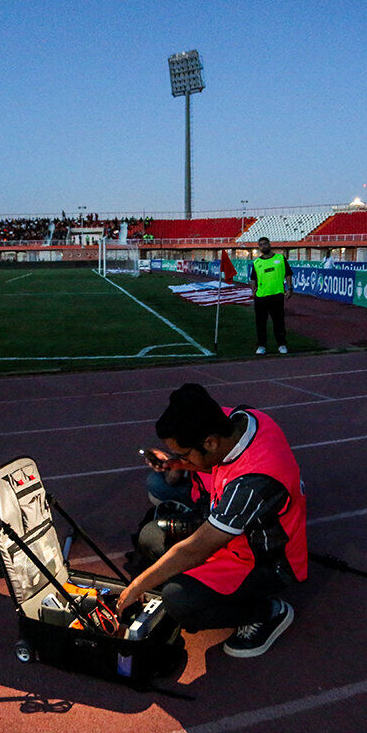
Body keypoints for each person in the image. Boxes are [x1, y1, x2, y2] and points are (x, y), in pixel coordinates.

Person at [117, 384, 308, 658]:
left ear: (209, 442)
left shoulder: (253, 482)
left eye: (184, 453)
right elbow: (211, 463)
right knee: (151, 538)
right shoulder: (235, 421)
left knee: (178, 600)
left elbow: (196, 549)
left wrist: (136, 587)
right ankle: (211, 592)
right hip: (231, 532)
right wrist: (179, 463)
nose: (181, 458)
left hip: (264, 561)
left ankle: (268, 613)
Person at [249, 236, 293, 354]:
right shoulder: (257, 262)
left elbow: (288, 274)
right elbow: (252, 279)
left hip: (277, 295)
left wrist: (289, 288)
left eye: (265, 244)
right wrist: (253, 291)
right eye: (261, 245)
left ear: (269, 244)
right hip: (261, 297)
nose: (264, 246)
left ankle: (282, 345)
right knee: (261, 323)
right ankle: (261, 346)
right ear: (259, 248)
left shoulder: (280, 259)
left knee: (279, 322)